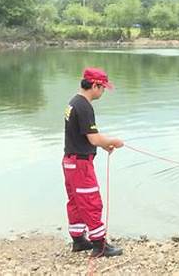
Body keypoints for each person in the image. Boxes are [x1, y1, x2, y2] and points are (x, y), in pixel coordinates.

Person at [62, 67, 124, 257]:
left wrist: (104, 146)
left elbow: (86, 136)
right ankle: (100, 245)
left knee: (75, 201)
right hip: (80, 164)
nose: (103, 92)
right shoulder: (84, 106)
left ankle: (79, 240)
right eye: (103, 87)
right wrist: (113, 142)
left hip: (70, 162)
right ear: (95, 85)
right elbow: (94, 139)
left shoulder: (74, 102)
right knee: (91, 202)